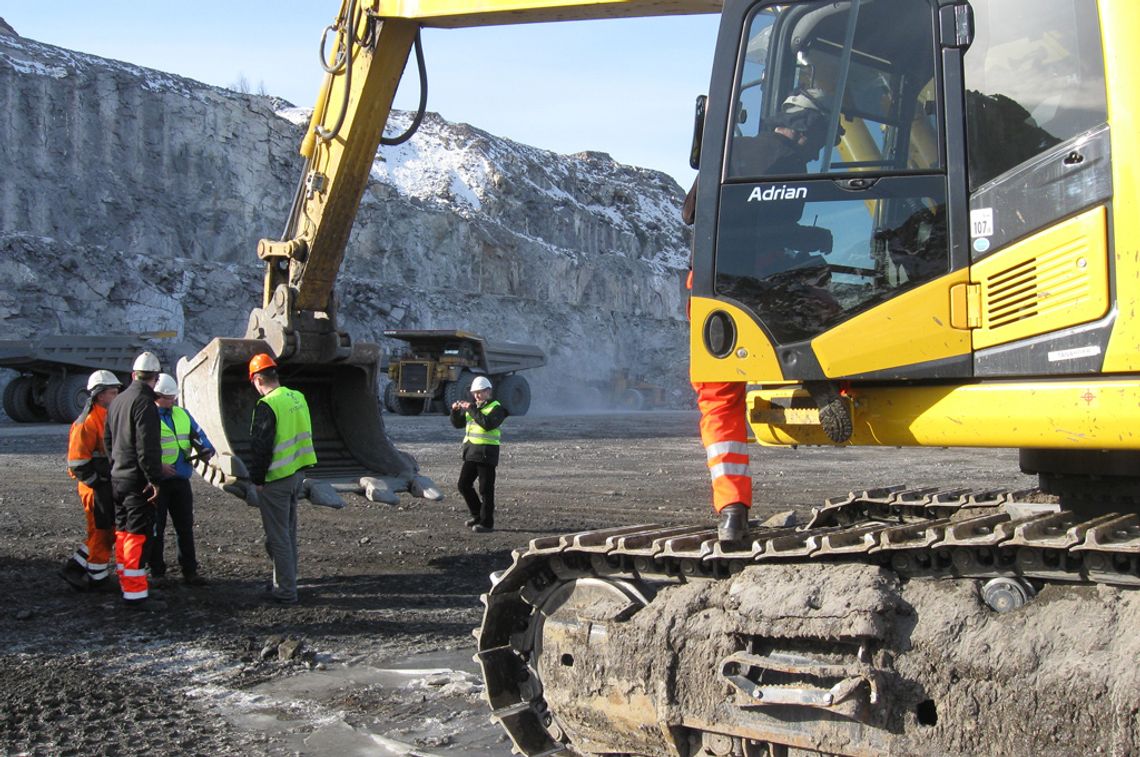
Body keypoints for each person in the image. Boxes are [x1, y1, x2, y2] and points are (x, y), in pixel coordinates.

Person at [687, 89, 851, 544]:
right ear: (807, 130)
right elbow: (770, 229)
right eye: (821, 141)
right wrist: (808, 237)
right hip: (767, 281)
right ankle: (824, 382)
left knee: (719, 399)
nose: (818, 151)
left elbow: (690, 213)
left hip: (711, 288)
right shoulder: (792, 163)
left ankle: (732, 512)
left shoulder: (728, 151)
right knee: (829, 321)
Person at [247, 353, 316, 605]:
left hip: (276, 478)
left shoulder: (267, 405)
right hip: (297, 474)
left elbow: (261, 446)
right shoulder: (297, 397)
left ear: (257, 379)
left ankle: (286, 591)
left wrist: (257, 479)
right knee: (287, 532)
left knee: (278, 538)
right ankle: (288, 580)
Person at [104, 351, 164, 608]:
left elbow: (108, 440)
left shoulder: (118, 400)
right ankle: (136, 594)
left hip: (118, 478)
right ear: (155, 378)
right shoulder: (144, 403)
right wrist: (154, 479)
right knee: (138, 535)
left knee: (123, 533)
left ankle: (127, 584)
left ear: (133, 375)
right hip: (137, 481)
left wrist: (116, 466)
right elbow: (147, 447)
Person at [149, 373, 214, 586]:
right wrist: (157, 466)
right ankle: (157, 572)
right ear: (157, 396)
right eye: (169, 398)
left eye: (174, 397)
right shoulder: (147, 416)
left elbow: (198, 435)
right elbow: (141, 448)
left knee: (185, 527)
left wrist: (206, 450)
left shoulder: (182, 414)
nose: (173, 401)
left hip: (180, 479)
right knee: (156, 528)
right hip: (158, 482)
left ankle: (190, 571)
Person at [61, 370, 122, 591]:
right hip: (93, 486)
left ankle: (75, 567)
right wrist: (98, 483)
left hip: (102, 483)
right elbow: (77, 463)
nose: (116, 396)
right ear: (100, 394)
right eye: (113, 392)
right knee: (101, 530)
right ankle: (98, 577)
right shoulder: (87, 421)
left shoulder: (105, 415)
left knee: (105, 529)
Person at [449, 375, 507, 533]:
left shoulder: (497, 408)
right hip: (471, 452)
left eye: (480, 392)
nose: (477, 395)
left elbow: (487, 424)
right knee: (463, 485)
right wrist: (455, 412)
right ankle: (477, 515)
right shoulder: (473, 407)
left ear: (488, 391)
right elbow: (458, 424)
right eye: (475, 393)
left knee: (485, 490)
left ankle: (487, 523)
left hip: (487, 453)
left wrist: (471, 408)